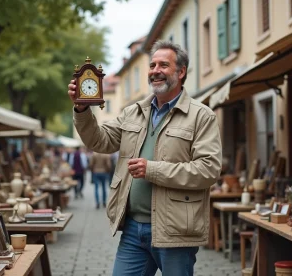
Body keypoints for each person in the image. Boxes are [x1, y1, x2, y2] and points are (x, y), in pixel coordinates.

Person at [68, 40, 222, 276]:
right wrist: (81, 110)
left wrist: (153, 170)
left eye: (163, 65)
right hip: (132, 229)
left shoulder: (201, 116)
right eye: (152, 65)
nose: (155, 71)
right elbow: (99, 140)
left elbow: (208, 170)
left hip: (175, 231)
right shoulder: (134, 112)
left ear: (181, 72)